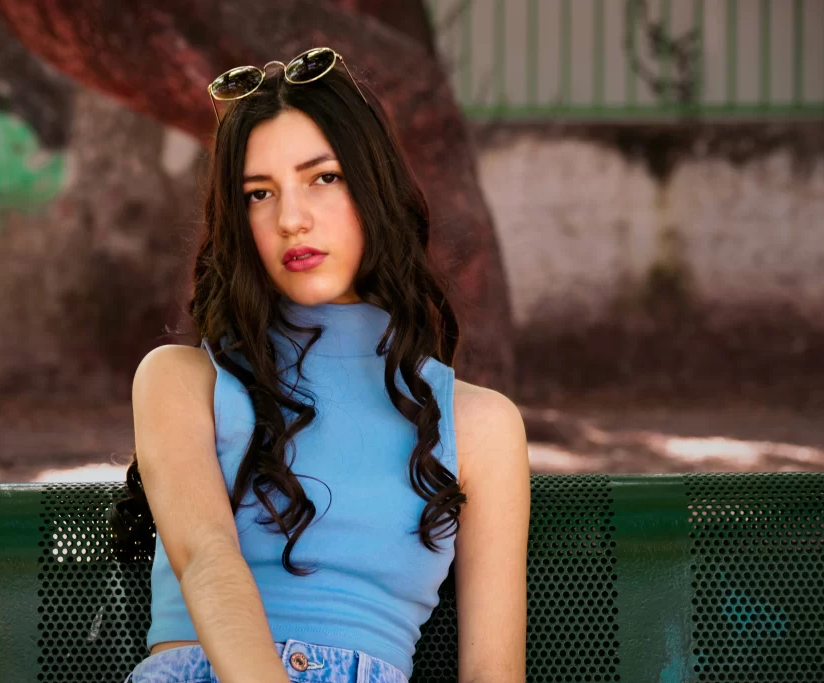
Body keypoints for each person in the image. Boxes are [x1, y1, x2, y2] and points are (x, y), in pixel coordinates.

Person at [109, 47, 530, 683]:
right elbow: (206, 557)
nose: (290, 219)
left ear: (373, 189)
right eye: (258, 193)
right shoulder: (180, 381)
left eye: (323, 178)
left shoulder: (479, 426)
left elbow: (494, 673)